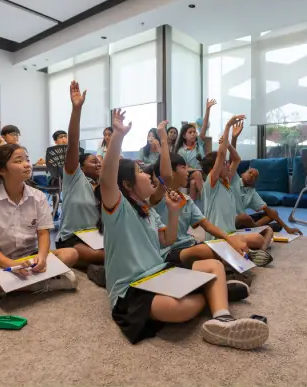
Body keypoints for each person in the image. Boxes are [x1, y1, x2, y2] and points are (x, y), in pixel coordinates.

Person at [100, 108, 269, 349]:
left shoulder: (148, 211)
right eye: (141, 173)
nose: (148, 176)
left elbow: (167, 240)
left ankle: (222, 318)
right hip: (132, 288)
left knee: (213, 266)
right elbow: (107, 180)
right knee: (179, 309)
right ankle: (215, 291)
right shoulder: (118, 209)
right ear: (127, 185)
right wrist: (117, 135)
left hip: (159, 272)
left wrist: (173, 211)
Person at [0, 144, 79, 310]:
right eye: (18, 161)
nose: (27, 164)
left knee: (70, 253)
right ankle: (40, 284)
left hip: (30, 257)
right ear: (1, 170)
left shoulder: (38, 197)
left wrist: (42, 257)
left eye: (27, 159)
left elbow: (43, 234)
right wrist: (10, 264)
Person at [153, 121, 252, 291]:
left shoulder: (187, 200)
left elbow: (206, 225)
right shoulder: (158, 197)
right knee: (207, 251)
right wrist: (163, 139)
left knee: (225, 246)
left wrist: (229, 239)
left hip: (190, 245)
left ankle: (224, 276)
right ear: (172, 172)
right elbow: (165, 175)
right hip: (169, 252)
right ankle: (226, 272)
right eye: (183, 167)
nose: (188, 171)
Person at [201, 116, 274, 267]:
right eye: (224, 164)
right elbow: (221, 155)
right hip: (218, 238)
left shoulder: (226, 181)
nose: (228, 165)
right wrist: (228, 126)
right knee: (255, 239)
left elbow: (237, 159)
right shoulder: (211, 183)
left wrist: (229, 144)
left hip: (232, 234)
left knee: (267, 231)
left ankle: (257, 254)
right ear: (215, 168)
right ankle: (241, 255)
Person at [56, 81, 105, 286]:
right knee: (102, 255)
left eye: (100, 160)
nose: (99, 163)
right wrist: (77, 109)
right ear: (81, 167)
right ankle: (95, 265)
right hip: (73, 238)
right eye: (93, 161)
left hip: (97, 238)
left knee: (121, 248)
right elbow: (73, 144)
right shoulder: (74, 178)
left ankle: (96, 266)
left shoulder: (104, 186)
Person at [228, 122, 302, 236]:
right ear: (242, 173)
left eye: (255, 177)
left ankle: (256, 229)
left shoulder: (252, 192)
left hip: (245, 222)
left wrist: (287, 228)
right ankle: (260, 229)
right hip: (231, 221)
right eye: (250, 172)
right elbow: (233, 160)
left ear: (255, 182)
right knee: (244, 217)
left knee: (274, 213)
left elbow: (269, 211)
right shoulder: (234, 180)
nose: (252, 175)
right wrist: (234, 138)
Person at [176, 99, 215, 199]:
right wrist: (197, 170)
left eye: (194, 132)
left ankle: (191, 206)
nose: (193, 134)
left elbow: (204, 126)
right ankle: (207, 200)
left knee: (194, 183)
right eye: (190, 132)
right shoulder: (181, 151)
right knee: (197, 174)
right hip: (189, 174)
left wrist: (208, 109)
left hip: (202, 173)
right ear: (184, 135)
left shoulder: (199, 143)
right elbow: (184, 168)